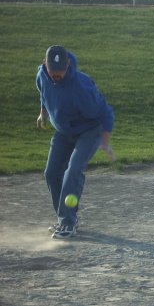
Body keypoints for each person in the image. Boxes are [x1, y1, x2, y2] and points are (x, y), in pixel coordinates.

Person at [36, 45, 116, 239]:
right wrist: (43, 114)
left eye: (61, 70)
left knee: (73, 171)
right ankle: (63, 217)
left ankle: (68, 223)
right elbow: (44, 93)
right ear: (46, 64)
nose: (56, 74)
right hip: (63, 132)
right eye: (52, 70)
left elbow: (106, 113)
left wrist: (105, 142)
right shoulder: (42, 75)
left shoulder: (82, 85)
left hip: (90, 130)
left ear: (68, 64)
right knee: (52, 173)